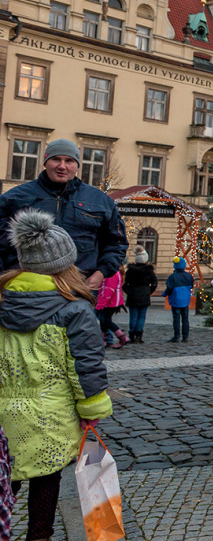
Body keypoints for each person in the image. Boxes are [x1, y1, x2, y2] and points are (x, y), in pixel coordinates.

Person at [0, 209, 112, 541]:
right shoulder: (74, 308)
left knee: (8, 477)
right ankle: (39, 536)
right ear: (65, 264)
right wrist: (91, 410)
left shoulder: (3, 298)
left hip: (4, 416)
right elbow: (85, 365)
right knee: (46, 479)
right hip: (51, 415)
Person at [0, 139, 127, 292]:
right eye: (55, 159)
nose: (62, 166)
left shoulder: (101, 201)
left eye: (69, 161)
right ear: (46, 162)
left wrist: (101, 273)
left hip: (79, 288)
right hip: (25, 289)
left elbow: (116, 243)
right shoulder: (14, 198)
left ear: (77, 165)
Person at [123, 245, 158, 343]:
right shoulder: (149, 271)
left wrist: (129, 291)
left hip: (133, 295)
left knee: (133, 316)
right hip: (144, 294)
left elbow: (125, 284)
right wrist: (149, 291)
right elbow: (154, 283)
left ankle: (131, 335)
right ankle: (139, 335)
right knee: (142, 316)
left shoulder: (130, 270)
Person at [95, 264, 130, 349]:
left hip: (111, 301)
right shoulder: (111, 272)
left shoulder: (111, 273)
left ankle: (122, 337)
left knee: (106, 320)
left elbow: (108, 290)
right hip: (110, 301)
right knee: (104, 320)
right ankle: (103, 340)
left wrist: (100, 304)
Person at [163, 256, 194, 342]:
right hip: (185, 300)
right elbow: (191, 286)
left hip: (176, 300)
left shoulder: (172, 277)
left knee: (176, 318)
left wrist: (164, 294)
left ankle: (177, 336)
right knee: (185, 319)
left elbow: (169, 288)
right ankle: (185, 336)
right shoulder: (189, 276)